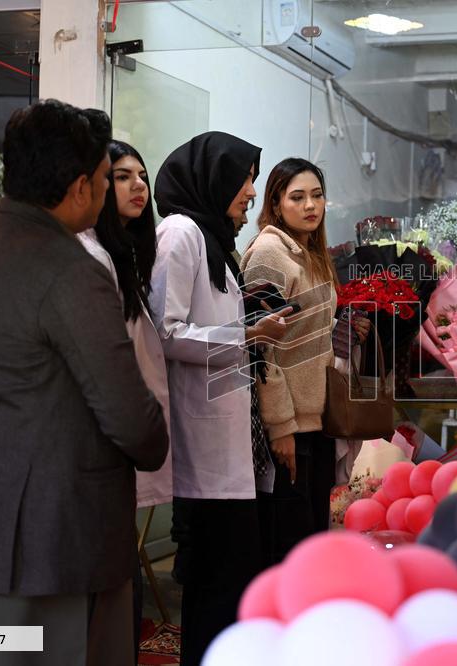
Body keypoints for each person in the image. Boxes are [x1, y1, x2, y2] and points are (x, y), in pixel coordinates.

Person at [0, 99, 169, 666]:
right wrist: (155, 436)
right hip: (52, 545)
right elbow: (132, 420)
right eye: (106, 178)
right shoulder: (72, 271)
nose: (107, 191)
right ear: (80, 187)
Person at [150, 132, 289, 666]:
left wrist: (252, 321)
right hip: (204, 447)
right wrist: (248, 335)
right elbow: (165, 332)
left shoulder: (213, 240)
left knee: (231, 587)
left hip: (231, 441)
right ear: (213, 178)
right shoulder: (180, 233)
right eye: (244, 179)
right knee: (214, 590)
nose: (251, 192)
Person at [241, 157, 366, 564]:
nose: (310, 205)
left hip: (316, 422)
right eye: (297, 197)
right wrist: (280, 427)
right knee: (288, 549)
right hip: (289, 425)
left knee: (312, 542)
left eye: (317, 195)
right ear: (276, 204)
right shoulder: (269, 255)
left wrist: (344, 329)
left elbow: (304, 333)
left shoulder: (310, 253)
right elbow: (261, 348)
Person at [75, 140, 172, 654]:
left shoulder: (127, 254)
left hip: (124, 436)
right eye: (121, 176)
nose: (138, 186)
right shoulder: (92, 255)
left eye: (142, 176)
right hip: (104, 440)